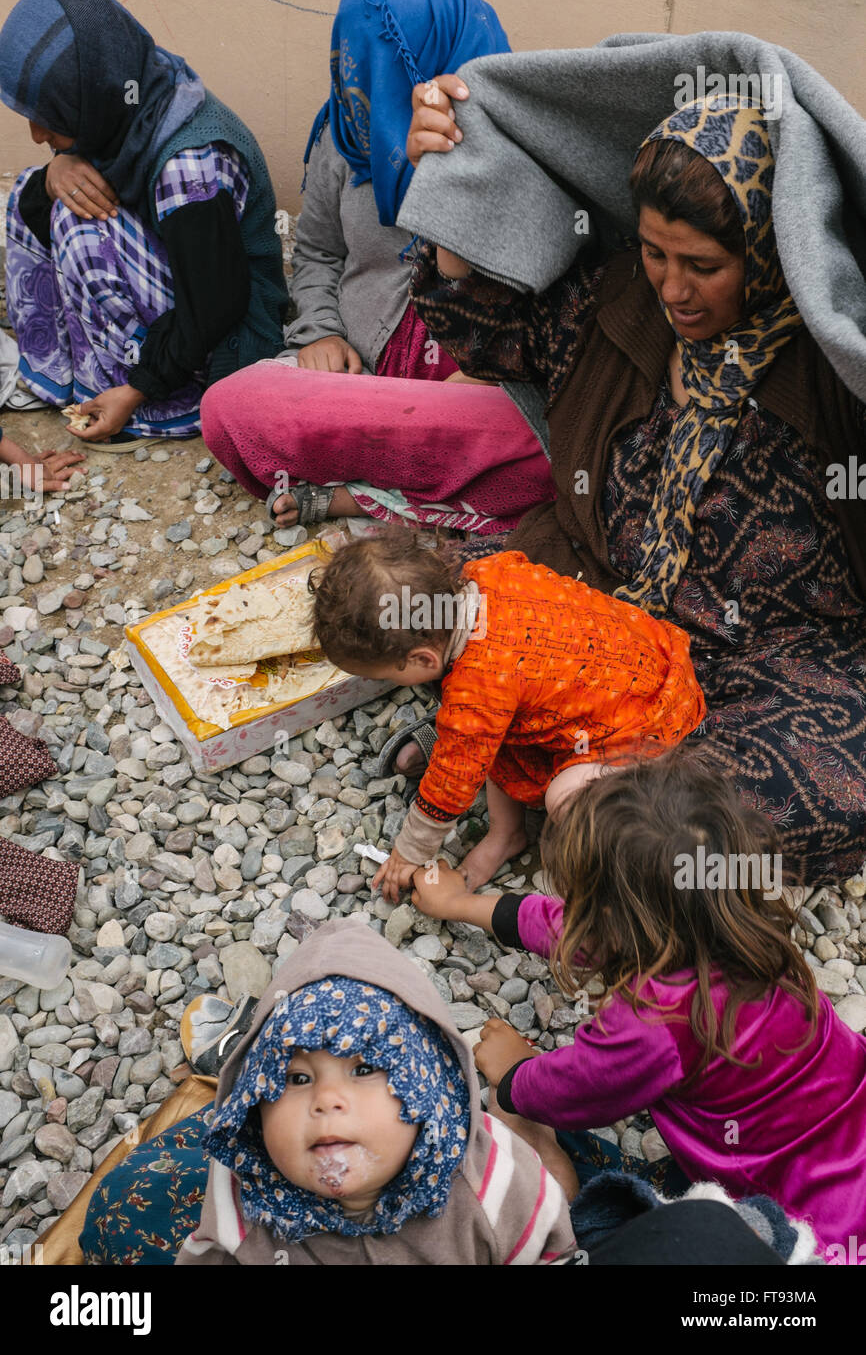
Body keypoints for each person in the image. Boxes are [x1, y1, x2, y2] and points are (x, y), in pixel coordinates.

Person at [401, 87, 866, 884]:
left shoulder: (834, 366)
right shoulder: (618, 301)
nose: (673, 290)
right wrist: (457, 177)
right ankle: (584, 799)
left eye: (704, 266)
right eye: (657, 253)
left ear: (770, 249)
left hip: (777, 660)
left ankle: (559, 785)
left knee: (821, 791)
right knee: (418, 610)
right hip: (602, 611)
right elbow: (492, 334)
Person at [409, 748, 866, 1259]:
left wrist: (515, 1074)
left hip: (800, 1209)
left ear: (608, 921)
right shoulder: (736, 919)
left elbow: (583, 1086)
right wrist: (460, 905)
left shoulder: (655, 1022)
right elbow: (573, 924)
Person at [200, 0, 554, 534]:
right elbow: (316, 254)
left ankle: (356, 493)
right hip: (362, 380)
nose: (370, 85)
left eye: (390, 63)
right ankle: (417, 485)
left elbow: (542, 303)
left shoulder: (522, 134)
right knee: (229, 407)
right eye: (357, 61)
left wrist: (455, 174)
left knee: (549, 452)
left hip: (479, 390)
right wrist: (320, 331)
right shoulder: (344, 136)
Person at [310, 529, 706, 894]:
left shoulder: (479, 685)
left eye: (386, 677)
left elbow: (452, 781)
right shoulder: (487, 572)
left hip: (645, 721)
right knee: (486, 734)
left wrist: (409, 852)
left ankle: (612, 879)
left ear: (424, 659)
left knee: (564, 798)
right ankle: (506, 834)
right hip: (643, 653)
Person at [172, 919, 575, 1265]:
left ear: (427, 1084)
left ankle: (519, 1111)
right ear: (253, 1105)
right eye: (297, 1078)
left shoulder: (496, 1184)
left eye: (363, 1069)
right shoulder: (241, 1192)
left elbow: (549, 1250)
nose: (326, 1100)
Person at [0, 0, 287, 451]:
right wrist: (56, 168)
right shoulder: (128, 98)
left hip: (231, 335)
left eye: (50, 117)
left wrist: (139, 389)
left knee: (79, 225)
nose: (36, 133)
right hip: (188, 290)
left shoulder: (187, 167)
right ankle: (59, 377)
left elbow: (217, 305)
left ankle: (152, 402)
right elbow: (39, 199)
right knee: (39, 191)